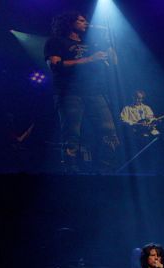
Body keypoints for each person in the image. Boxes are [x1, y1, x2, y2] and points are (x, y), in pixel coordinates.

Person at [44, 11, 120, 172]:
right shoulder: (56, 41)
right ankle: (72, 172)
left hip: (95, 92)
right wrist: (89, 59)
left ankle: (106, 170)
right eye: (81, 20)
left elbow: (114, 62)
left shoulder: (92, 42)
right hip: (69, 92)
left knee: (109, 132)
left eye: (86, 20)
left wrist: (108, 41)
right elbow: (54, 66)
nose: (86, 23)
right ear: (70, 23)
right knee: (72, 135)